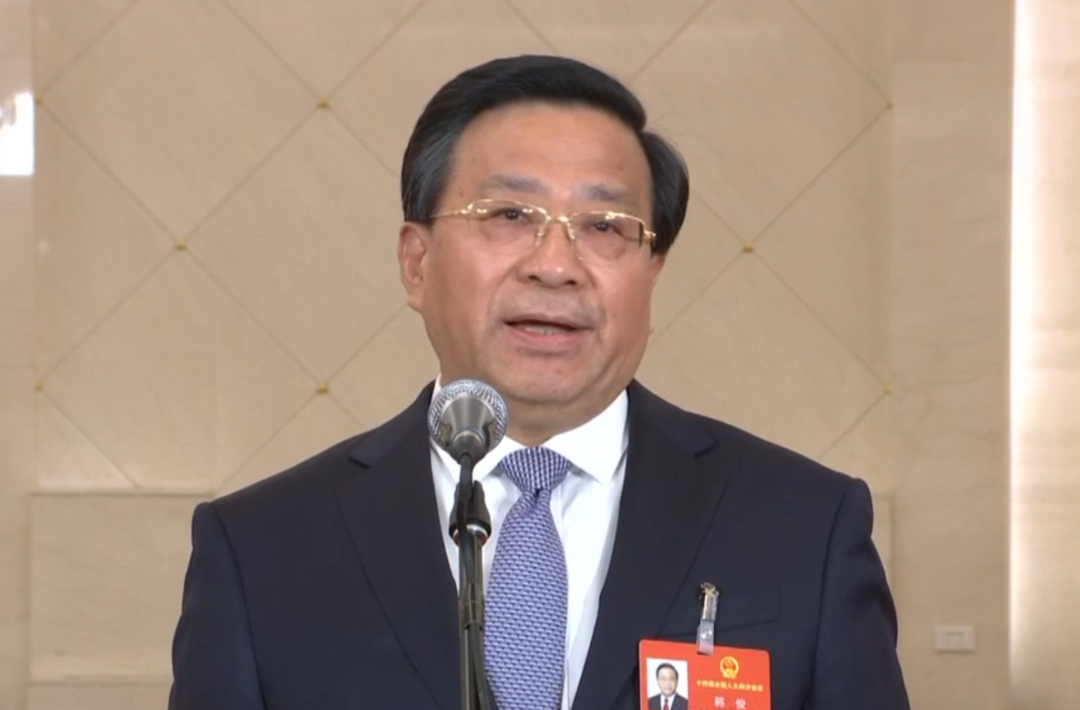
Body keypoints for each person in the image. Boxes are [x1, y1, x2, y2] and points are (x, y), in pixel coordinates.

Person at [168, 54, 910, 710]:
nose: (555, 265)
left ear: (652, 273)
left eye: (605, 225)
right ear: (416, 264)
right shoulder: (262, 549)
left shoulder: (805, 527)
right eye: (509, 214)